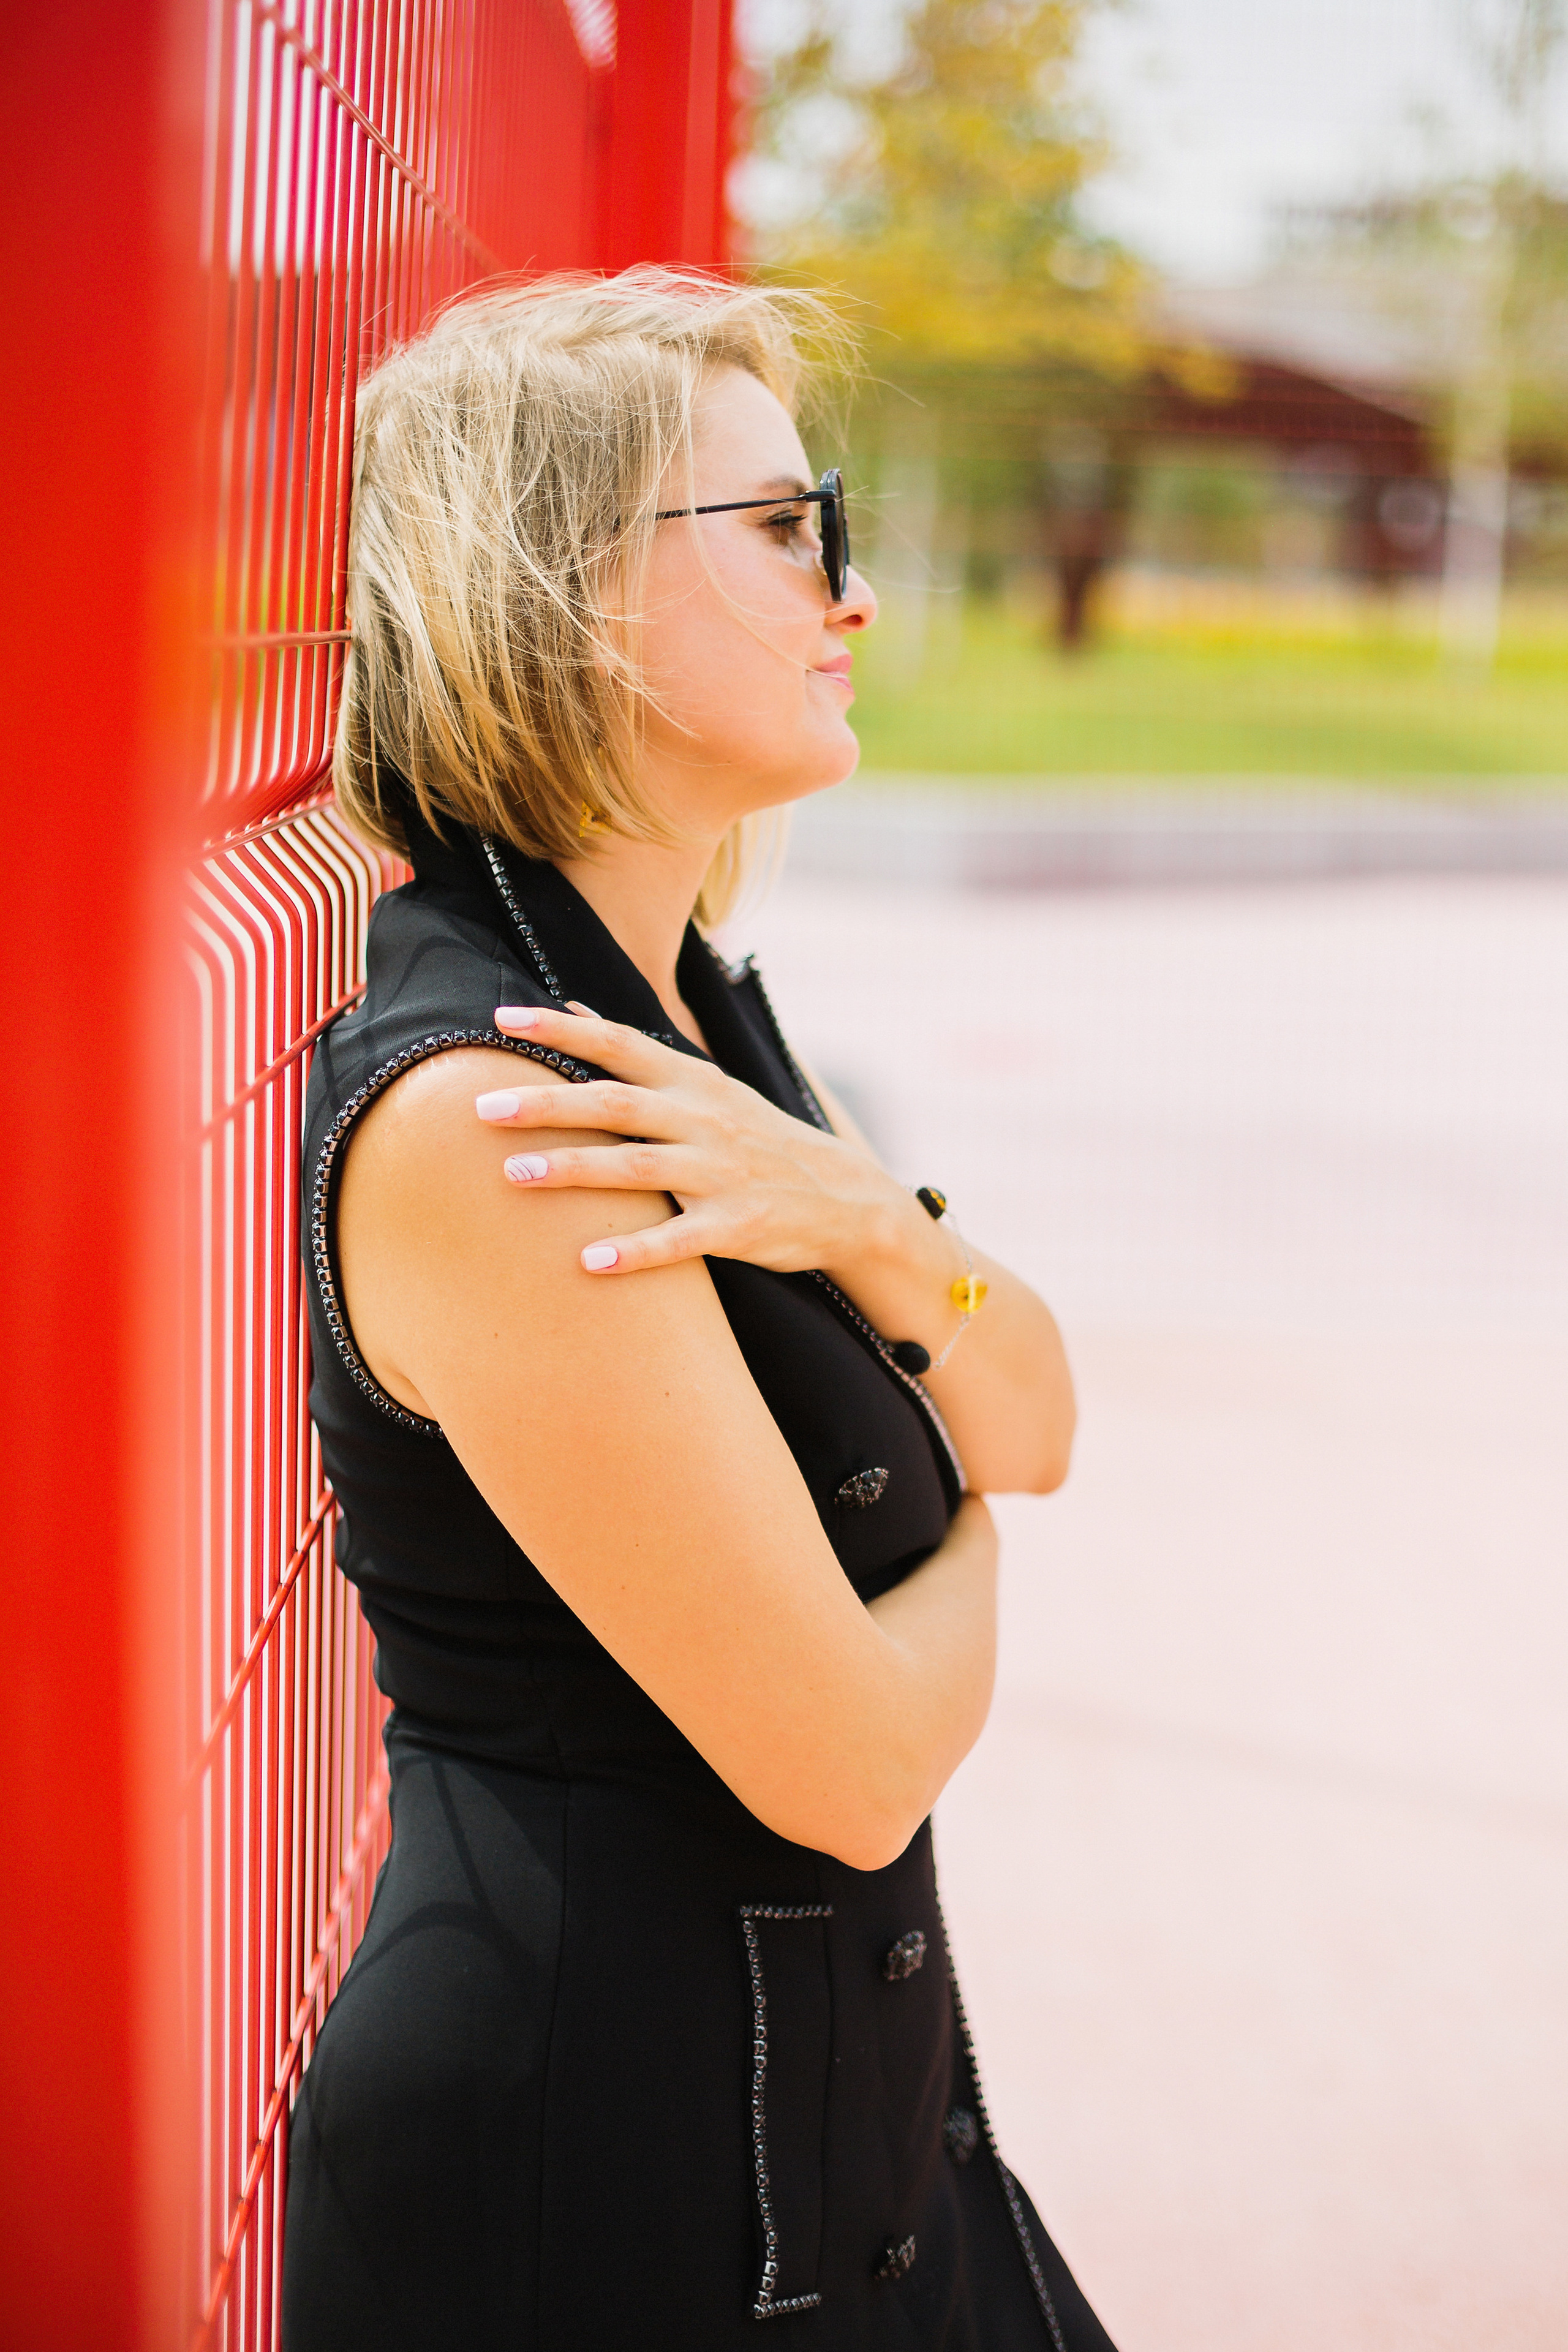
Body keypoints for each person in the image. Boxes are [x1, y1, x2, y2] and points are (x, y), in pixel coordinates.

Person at [282, 268, 1113, 2352]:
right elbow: (847, 1757)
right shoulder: (493, 1114)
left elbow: (1037, 1413)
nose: (848, 588)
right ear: (554, 588)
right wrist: (977, 1549)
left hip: (843, 2148)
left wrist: (863, 1213)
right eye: (776, 522)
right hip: (608, 2197)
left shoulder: (677, 1015)